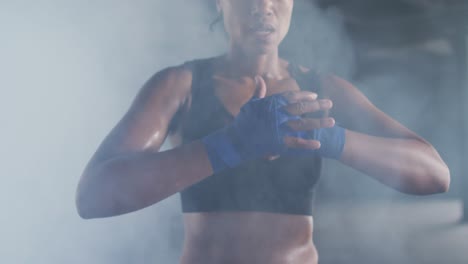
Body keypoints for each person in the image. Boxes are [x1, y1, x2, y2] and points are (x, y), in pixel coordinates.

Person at [75, 0, 451, 263]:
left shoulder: (323, 90)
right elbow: (93, 197)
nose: (263, 5)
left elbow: (435, 173)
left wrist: (330, 138)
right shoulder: (180, 86)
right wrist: (229, 146)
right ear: (219, 3)